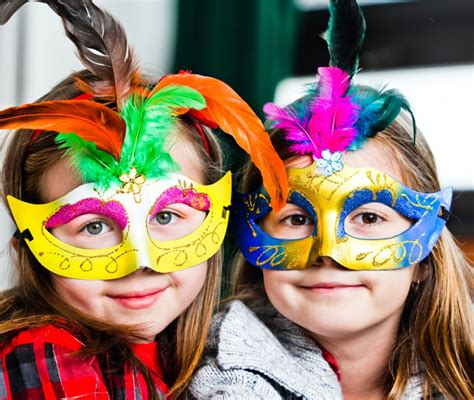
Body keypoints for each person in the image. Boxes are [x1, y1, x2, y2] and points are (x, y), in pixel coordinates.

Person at [0, 1, 287, 398]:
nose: (142, 263)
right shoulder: (46, 354)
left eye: (167, 216)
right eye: (94, 226)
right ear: (27, 247)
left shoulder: (213, 356)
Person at [189, 0, 473, 398]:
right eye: (295, 218)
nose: (328, 251)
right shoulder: (214, 383)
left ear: (424, 258)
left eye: (370, 218)